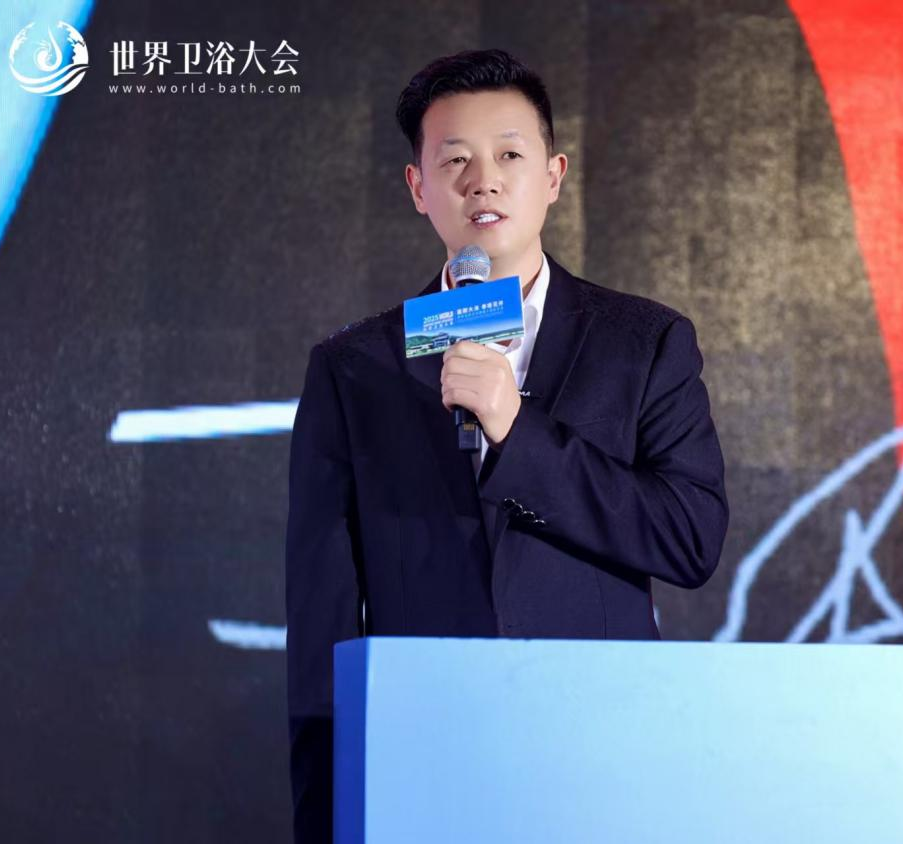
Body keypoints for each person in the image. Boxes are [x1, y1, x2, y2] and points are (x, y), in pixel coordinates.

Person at [285, 48, 729, 843]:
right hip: (425, 757)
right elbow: (323, 616)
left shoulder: (642, 342)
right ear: (417, 187)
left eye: (509, 156)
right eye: (454, 160)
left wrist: (516, 430)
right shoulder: (355, 366)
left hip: (604, 757)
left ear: (553, 176)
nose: (482, 181)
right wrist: (326, 817)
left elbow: (689, 537)